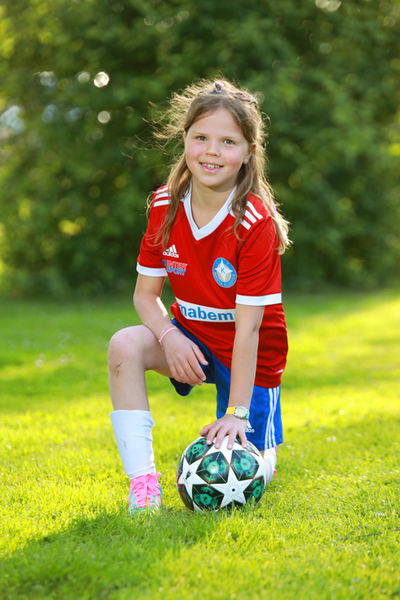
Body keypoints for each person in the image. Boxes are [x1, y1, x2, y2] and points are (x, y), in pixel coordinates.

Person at [108, 78, 291, 515]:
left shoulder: (254, 222)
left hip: (251, 355)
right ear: (185, 140)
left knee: (248, 472)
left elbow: (249, 330)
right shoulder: (164, 205)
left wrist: (236, 414)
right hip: (191, 339)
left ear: (248, 152)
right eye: (201, 138)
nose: (212, 151)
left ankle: (257, 442)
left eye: (228, 142)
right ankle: (144, 487)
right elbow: (145, 295)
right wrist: (169, 336)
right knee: (124, 345)